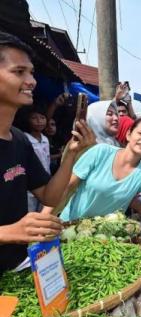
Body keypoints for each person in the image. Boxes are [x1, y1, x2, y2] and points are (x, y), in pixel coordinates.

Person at [0, 32, 94, 272]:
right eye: (19, 72)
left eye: (31, 72)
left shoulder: (19, 140)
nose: (31, 81)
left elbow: (49, 197)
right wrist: (9, 232)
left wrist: (71, 153)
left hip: (18, 267)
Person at [59, 117, 141, 221]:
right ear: (129, 134)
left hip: (103, 239)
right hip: (70, 226)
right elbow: (67, 187)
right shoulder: (101, 152)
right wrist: (47, 217)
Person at [15, 106, 51, 212]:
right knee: (30, 212)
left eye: (42, 118)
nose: (39, 121)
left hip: (45, 181)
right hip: (29, 185)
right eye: (34, 118)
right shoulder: (24, 139)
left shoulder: (45, 139)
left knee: (43, 211)